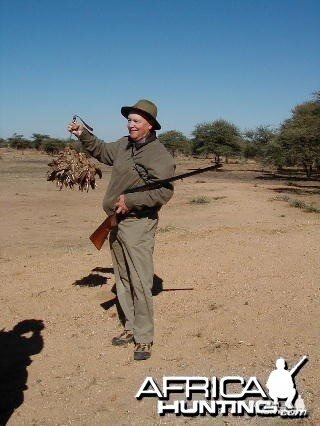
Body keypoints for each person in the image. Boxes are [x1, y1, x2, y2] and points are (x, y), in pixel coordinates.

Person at [68, 99, 175, 360]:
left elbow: (164, 191)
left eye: (137, 121)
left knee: (140, 280)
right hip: (115, 221)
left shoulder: (159, 155)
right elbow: (103, 151)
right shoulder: (124, 145)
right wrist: (83, 135)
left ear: (150, 125)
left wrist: (132, 201)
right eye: (129, 120)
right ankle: (129, 327)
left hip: (138, 224)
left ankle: (144, 337)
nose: (131, 124)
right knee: (123, 278)